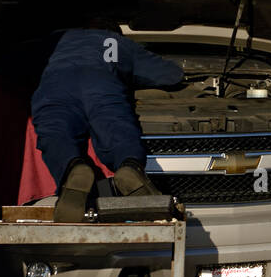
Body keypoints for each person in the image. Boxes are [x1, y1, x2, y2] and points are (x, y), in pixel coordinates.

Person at [30, 23, 185, 221]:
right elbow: (170, 75)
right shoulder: (116, 42)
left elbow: (9, 67)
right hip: (103, 86)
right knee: (116, 127)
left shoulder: (52, 42)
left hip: (56, 88)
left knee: (55, 132)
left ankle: (72, 168)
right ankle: (130, 166)